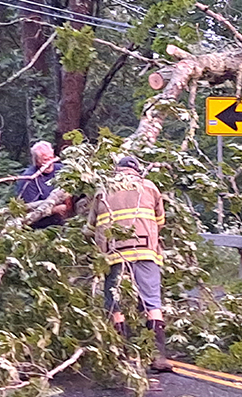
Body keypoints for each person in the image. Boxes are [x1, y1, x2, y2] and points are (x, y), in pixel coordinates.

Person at [87, 156, 172, 372]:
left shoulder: (102, 190)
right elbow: (160, 221)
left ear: (117, 170)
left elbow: (89, 229)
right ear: (137, 170)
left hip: (113, 255)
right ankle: (158, 355)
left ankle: (122, 356)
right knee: (152, 302)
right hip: (144, 252)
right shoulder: (149, 187)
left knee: (115, 304)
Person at [16, 141, 71, 228]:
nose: (49, 163)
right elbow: (29, 210)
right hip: (42, 227)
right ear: (37, 161)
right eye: (45, 160)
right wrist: (54, 210)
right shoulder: (29, 180)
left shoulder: (61, 169)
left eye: (51, 158)